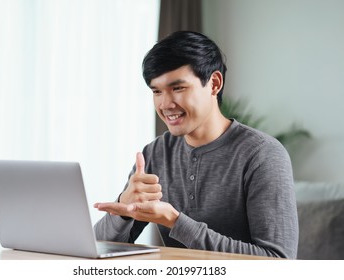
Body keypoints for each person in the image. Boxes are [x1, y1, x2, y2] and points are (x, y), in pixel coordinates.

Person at [94, 31, 299, 259]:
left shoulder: (263, 154)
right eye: (156, 91)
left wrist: (175, 221)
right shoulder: (155, 154)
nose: (165, 104)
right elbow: (97, 247)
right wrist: (124, 208)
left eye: (178, 88)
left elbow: (279, 261)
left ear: (214, 84)